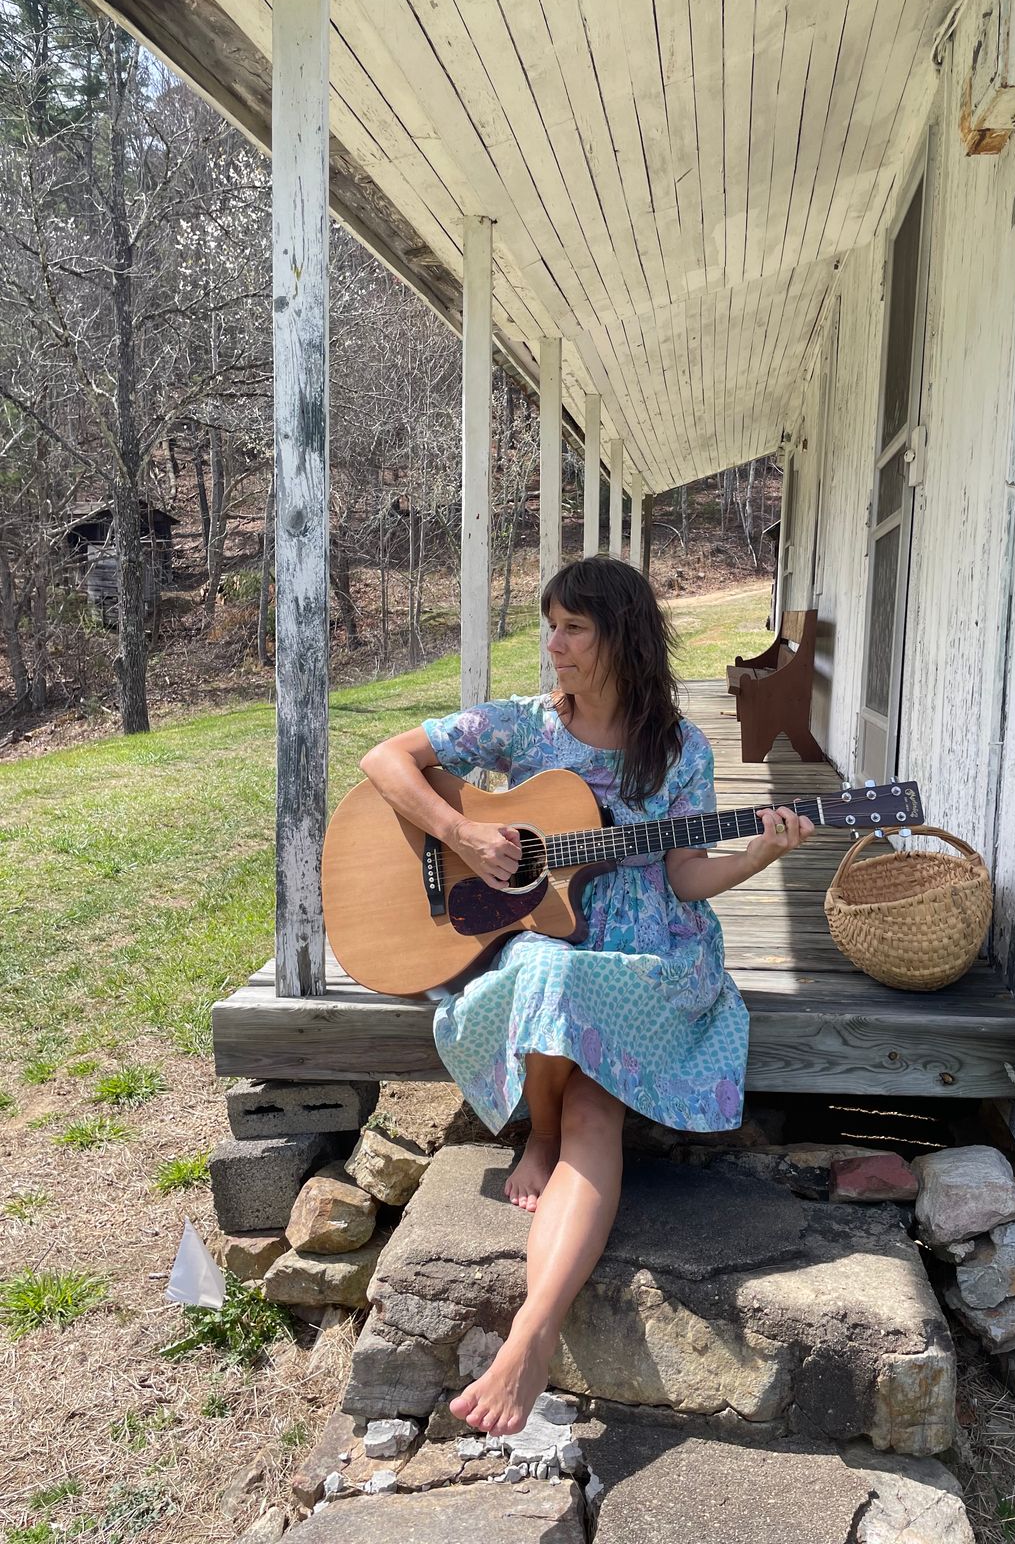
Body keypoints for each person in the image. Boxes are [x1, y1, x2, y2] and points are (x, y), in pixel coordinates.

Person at [359, 556, 813, 1438]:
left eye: (574, 628)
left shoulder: (679, 750)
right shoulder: (523, 726)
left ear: (622, 637)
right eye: (552, 626)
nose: (554, 645)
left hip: (649, 956)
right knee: (546, 967)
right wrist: (463, 833)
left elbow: (683, 876)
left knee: (596, 1106)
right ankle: (540, 1131)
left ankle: (530, 1337)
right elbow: (387, 760)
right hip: (548, 940)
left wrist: (759, 854)